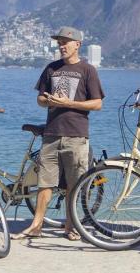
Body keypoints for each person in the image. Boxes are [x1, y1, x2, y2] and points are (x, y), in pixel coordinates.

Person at [12, 26, 104, 241]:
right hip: (51, 133)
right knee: (45, 182)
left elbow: (98, 103)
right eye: (59, 42)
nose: (62, 45)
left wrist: (68, 103)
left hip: (76, 135)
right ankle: (36, 225)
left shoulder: (87, 70)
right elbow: (40, 99)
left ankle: (71, 226)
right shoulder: (51, 68)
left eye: (66, 42)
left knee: (74, 182)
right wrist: (49, 101)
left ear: (77, 45)